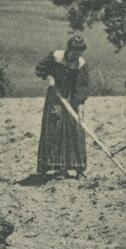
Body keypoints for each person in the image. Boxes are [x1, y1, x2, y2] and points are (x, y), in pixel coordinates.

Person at [35, 33, 89, 178]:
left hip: (72, 98)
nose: (76, 56)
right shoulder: (56, 57)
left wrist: (80, 110)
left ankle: (78, 168)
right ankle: (59, 168)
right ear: (68, 50)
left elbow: (81, 87)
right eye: (74, 53)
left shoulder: (81, 64)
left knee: (76, 128)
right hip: (55, 97)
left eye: (79, 53)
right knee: (56, 127)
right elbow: (40, 69)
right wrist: (50, 77)